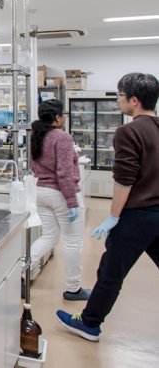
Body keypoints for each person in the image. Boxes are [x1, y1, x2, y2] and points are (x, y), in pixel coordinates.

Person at [57, 73, 159, 342]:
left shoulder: (128, 132)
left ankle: (89, 323)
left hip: (136, 216)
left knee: (110, 272)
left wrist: (113, 217)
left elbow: (124, 180)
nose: (118, 100)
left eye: (120, 96)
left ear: (134, 101)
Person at [28, 99, 90, 300]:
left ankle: (21, 272)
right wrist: (71, 201)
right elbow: (64, 172)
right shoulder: (61, 137)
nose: (63, 117)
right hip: (60, 194)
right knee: (73, 242)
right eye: (62, 114)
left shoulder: (37, 135)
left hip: (41, 193)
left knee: (49, 237)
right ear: (57, 117)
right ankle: (73, 289)